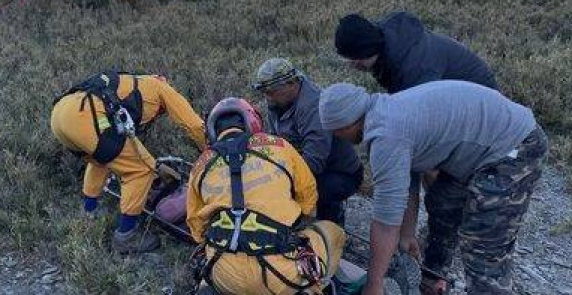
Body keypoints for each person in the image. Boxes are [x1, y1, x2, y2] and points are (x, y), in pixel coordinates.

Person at [318, 81, 547, 295]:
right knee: (442, 204)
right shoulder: (384, 110)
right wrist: (407, 234)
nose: (337, 138)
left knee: (483, 244)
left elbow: (386, 222)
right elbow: (406, 180)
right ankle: (433, 281)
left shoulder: (386, 135)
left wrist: (374, 284)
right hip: (482, 146)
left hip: (515, 145)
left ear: (346, 123)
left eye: (335, 131)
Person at [187, 97, 345, 295]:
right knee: (332, 231)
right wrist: (299, 221)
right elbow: (309, 196)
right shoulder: (280, 146)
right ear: (252, 121)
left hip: (224, 275)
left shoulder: (200, 165)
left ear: (212, 130)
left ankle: (207, 285)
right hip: (280, 276)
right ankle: (311, 288)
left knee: (209, 258)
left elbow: (196, 228)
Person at [51, 70, 206, 253]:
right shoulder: (162, 89)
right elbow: (195, 126)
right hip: (88, 117)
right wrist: (210, 152)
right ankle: (126, 236)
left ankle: (88, 214)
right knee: (140, 172)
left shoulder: (130, 84)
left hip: (60, 116)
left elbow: (125, 146)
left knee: (101, 160)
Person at [253, 58, 364, 226]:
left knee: (316, 192)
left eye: (271, 92)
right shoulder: (278, 101)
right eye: (264, 92)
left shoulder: (314, 107)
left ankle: (332, 226)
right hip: (304, 164)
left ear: (291, 84)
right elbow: (277, 144)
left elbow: (314, 162)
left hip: (339, 173)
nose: (268, 97)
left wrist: (281, 180)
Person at [334, 11, 497, 94]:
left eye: (354, 59)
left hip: (481, 98)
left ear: (368, 50)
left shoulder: (416, 67)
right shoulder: (389, 46)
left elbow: (423, 113)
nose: (352, 65)